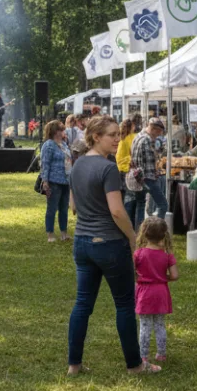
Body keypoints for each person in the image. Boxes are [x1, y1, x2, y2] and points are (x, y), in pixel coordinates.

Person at [66, 115, 159, 375]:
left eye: (119, 134)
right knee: (124, 305)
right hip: (109, 244)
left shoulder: (77, 166)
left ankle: (74, 365)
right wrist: (133, 238)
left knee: (82, 304)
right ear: (96, 137)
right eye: (112, 135)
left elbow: (73, 206)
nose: (118, 139)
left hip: (82, 242)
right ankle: (135, 365)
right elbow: (117, 211)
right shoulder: (107, 169)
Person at [134, 216, 178, 366]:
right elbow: (175, 275)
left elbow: (130, 271)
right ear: (164, 234)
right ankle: (161, 353)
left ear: (144, 233)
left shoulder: (139, 254)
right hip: (161, 292)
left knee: (145, 326)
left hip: (144, 292)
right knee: (160, 324)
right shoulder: (167, 255)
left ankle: (143, 356)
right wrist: (161, 277)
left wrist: (140, 278)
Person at [127, 118, 170, 230]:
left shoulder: (137, 136)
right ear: (154, 129)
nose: (158, 135)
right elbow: (150, 162)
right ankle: (156, 231)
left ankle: (138, 231)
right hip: (147, 178)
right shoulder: (147, 140)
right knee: (163, 205)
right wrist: (156, 175)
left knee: (140, 205)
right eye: (158, 133)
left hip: (137, 177)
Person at [39, 120, 71, 243]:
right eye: (60, 129)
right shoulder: (49, 145)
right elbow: (45, 164)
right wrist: (45, 180)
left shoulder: (64, 144)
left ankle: (64, 233)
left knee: (64, 208)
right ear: (54, 131)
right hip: (53, 181)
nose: (63, 131)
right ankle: (50, 233)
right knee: (52, 208)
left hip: (66, 181)